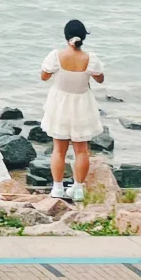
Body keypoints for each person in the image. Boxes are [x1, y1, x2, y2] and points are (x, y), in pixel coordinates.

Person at [40, 19, 104, 202]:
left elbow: (44, 76)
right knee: (81, 150)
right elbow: (100, 79)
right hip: (82, 104)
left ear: (66, 36)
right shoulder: (90, 58)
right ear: (83, 37)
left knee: (59, 149)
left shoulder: (56, 56)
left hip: (60, 103)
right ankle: (78, 189)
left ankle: (57, 188)